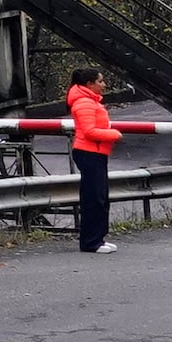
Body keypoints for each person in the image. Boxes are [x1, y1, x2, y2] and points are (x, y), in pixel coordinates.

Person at [68, 70, 121, 254]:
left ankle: (98, 238)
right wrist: (114, 134)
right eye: (100, 81)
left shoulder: (90, 101)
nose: (104, 85)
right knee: (94, 198)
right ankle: (91, 242)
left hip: (95, 152)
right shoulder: (84, 103)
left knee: (100, 197)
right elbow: (89, 131)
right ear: (90, 84)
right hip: (89, 152)